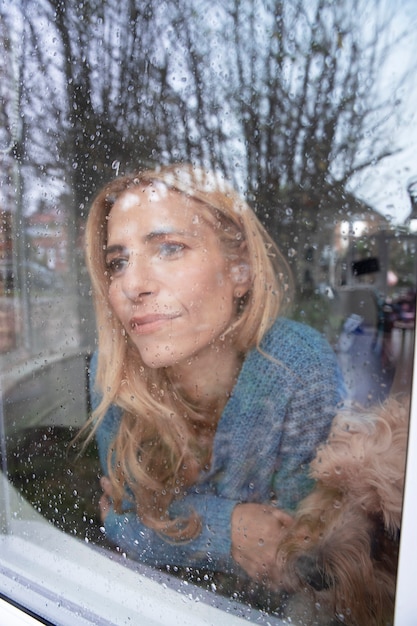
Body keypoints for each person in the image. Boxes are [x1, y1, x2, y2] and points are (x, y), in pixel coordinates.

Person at [83, 163, 345, 589]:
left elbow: (302, 558)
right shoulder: (114, 371)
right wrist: (231, 531)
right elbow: (121, 524)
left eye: (168, 248)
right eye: (118, 262)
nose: (133, 284)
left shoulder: (297, 368)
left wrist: (138, 522)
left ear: (239, 270)